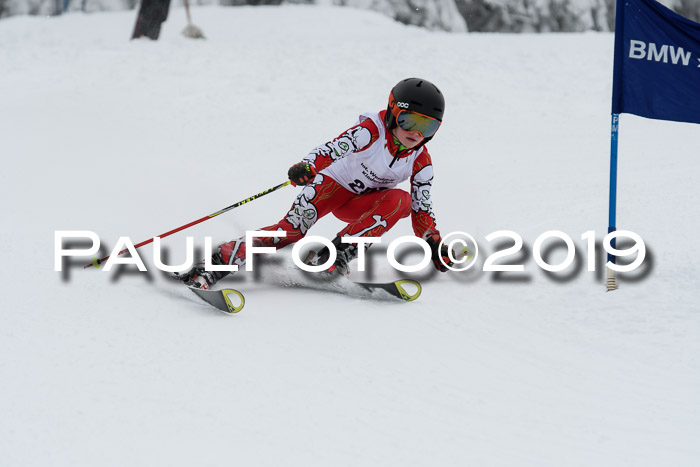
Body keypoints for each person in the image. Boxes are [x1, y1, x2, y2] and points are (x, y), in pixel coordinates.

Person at [177, 77, 454, 289]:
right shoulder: (370, 131)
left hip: (360, 204)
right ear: (394, 112)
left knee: (401, 201)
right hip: (330, 187)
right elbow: (332, 149)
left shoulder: (421, 160)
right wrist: (308, 167)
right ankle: (213, 265)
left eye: (428, 127)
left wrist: (433, 243)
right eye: (409, 122)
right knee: (290, 233)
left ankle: (332, 257)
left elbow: (422, 207)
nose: (416, 133)